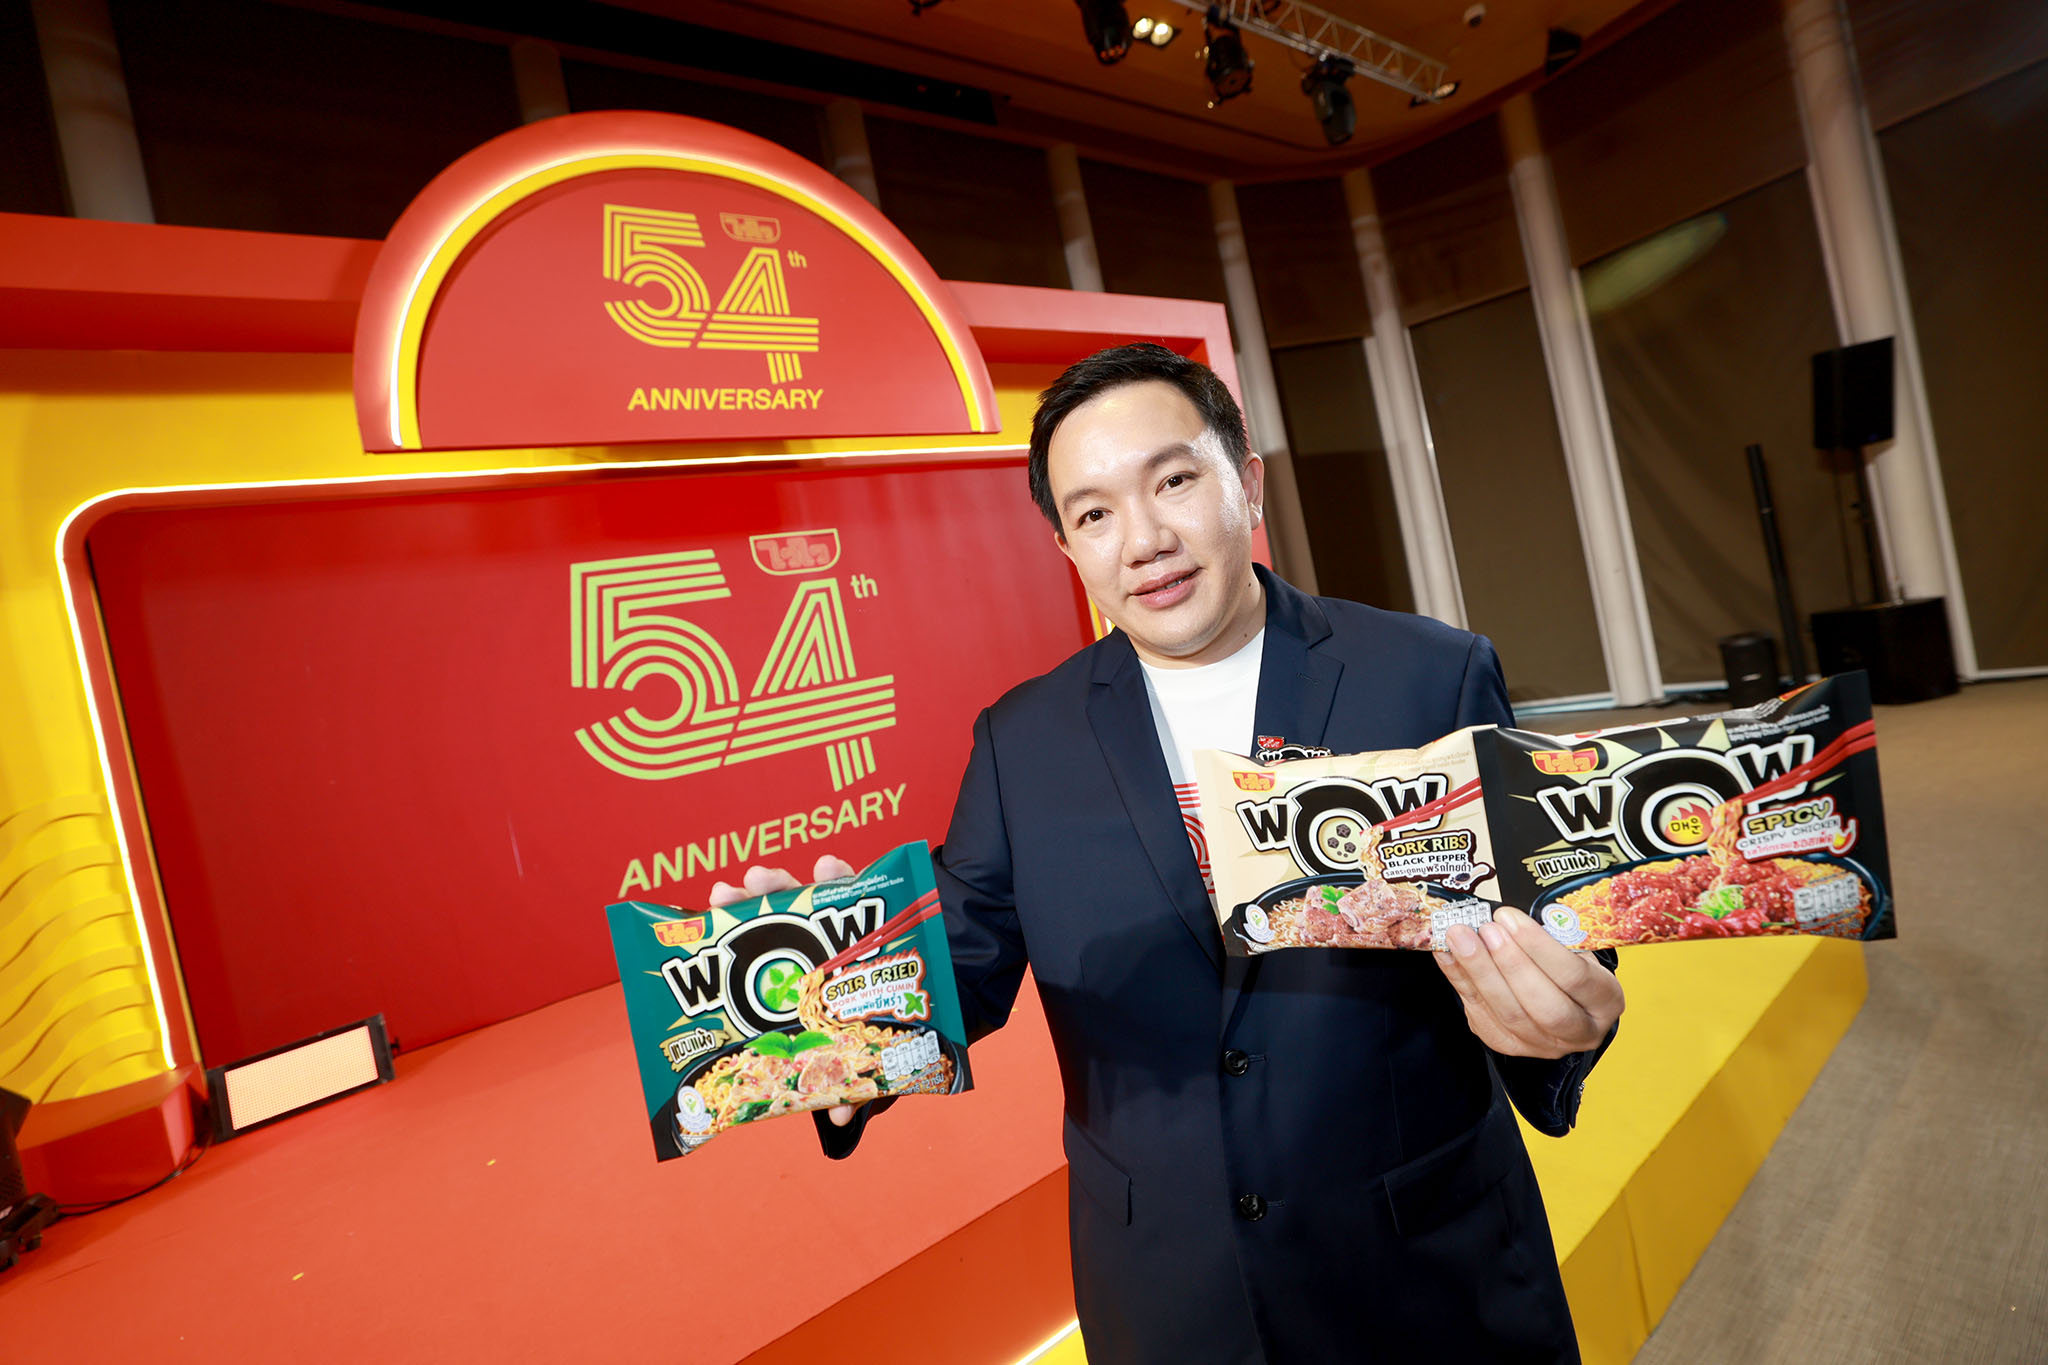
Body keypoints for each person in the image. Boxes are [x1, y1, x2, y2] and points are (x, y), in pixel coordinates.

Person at [712, 344, 1624, 1364]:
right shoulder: (1021, 742)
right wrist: (846, 987)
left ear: (1247, 483)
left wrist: (1562, 1025)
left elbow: (1556, 929)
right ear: (1065, 544)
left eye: (1175, 481)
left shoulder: (1428, 676)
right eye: (1094, 513)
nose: (1143, 540)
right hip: (1172, 1297)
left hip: (1426, 1276)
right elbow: (958, 963)